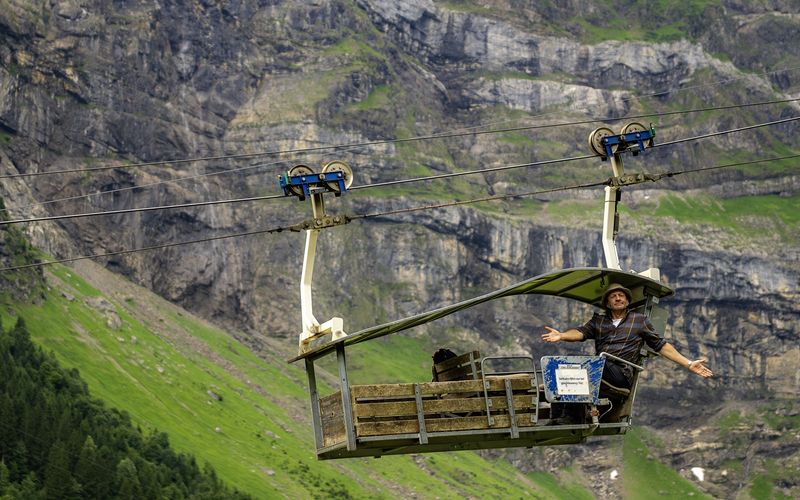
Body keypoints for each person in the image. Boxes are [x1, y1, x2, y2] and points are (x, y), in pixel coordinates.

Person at [542, 282, 713, 390]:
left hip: (621, 374)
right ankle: (561, 416)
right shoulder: (598, 321)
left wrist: (689, 363)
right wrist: (562, 335)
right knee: (562, 373)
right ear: (608, 303)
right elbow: (580, 333)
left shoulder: (639, 321)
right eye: (613, 296)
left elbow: (661, 345)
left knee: (601, 362)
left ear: (627, 301)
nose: (618, 298)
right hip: (600, 368)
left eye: (621, 295)